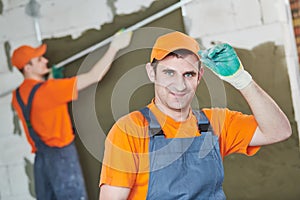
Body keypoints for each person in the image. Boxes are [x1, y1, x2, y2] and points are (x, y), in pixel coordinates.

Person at [98, 31, 292, 199]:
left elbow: (279, 131)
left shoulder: (214, 123)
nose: (180, 85)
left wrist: (241, 79)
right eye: (169, 73)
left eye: (188, 74)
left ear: (199, 76)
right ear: (152, 73)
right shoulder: (129, 130)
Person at [11, 30, 132, 200]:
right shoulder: (51, 90)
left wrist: (50, 80)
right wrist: (115, 47)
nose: (45, 60)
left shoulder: (17, 96)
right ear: (28, 68)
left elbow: (39, 105)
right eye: (39, 59)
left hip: (42, 162)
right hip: (62, 159)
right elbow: (95, 76)